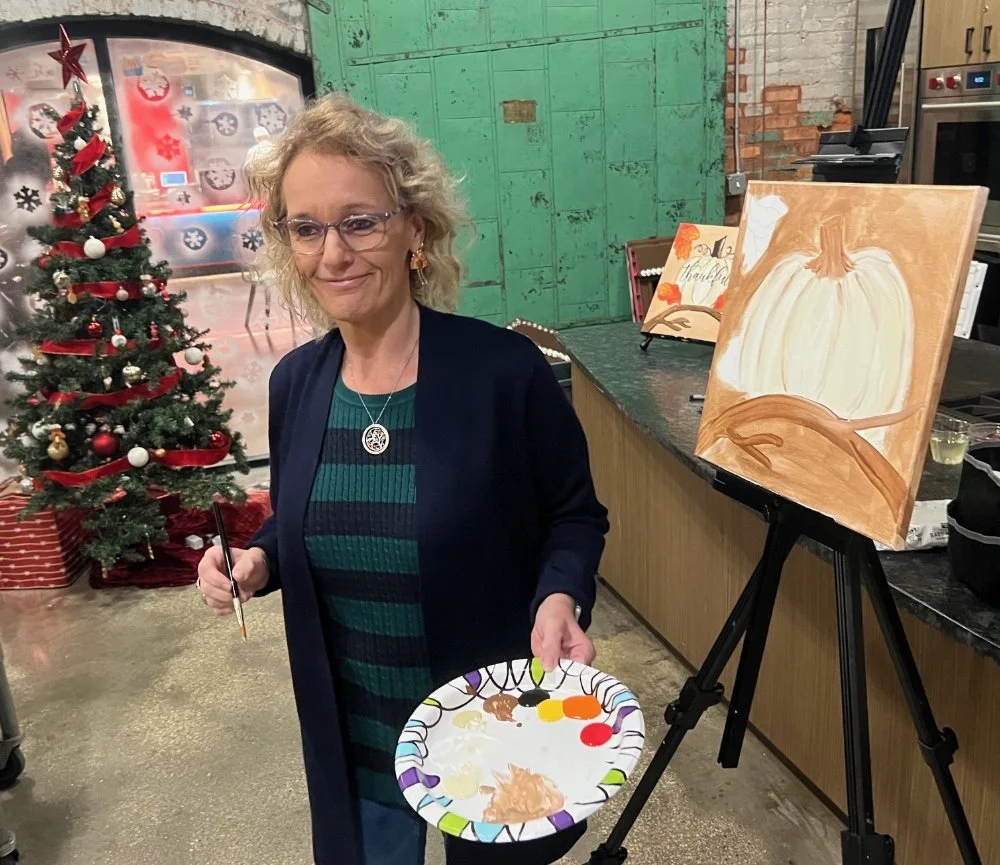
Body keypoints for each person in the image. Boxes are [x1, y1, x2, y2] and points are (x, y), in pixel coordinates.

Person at [196, 93, 609, 865]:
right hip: (356, 733)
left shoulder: (502, 373)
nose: (333, 254)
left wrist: (559, 596)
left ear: (413, 227)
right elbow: (298, 518)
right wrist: (256, 558)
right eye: (307, 227)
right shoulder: (298, 384)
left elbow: (574, 515)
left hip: (487, 727)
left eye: (360, 220)